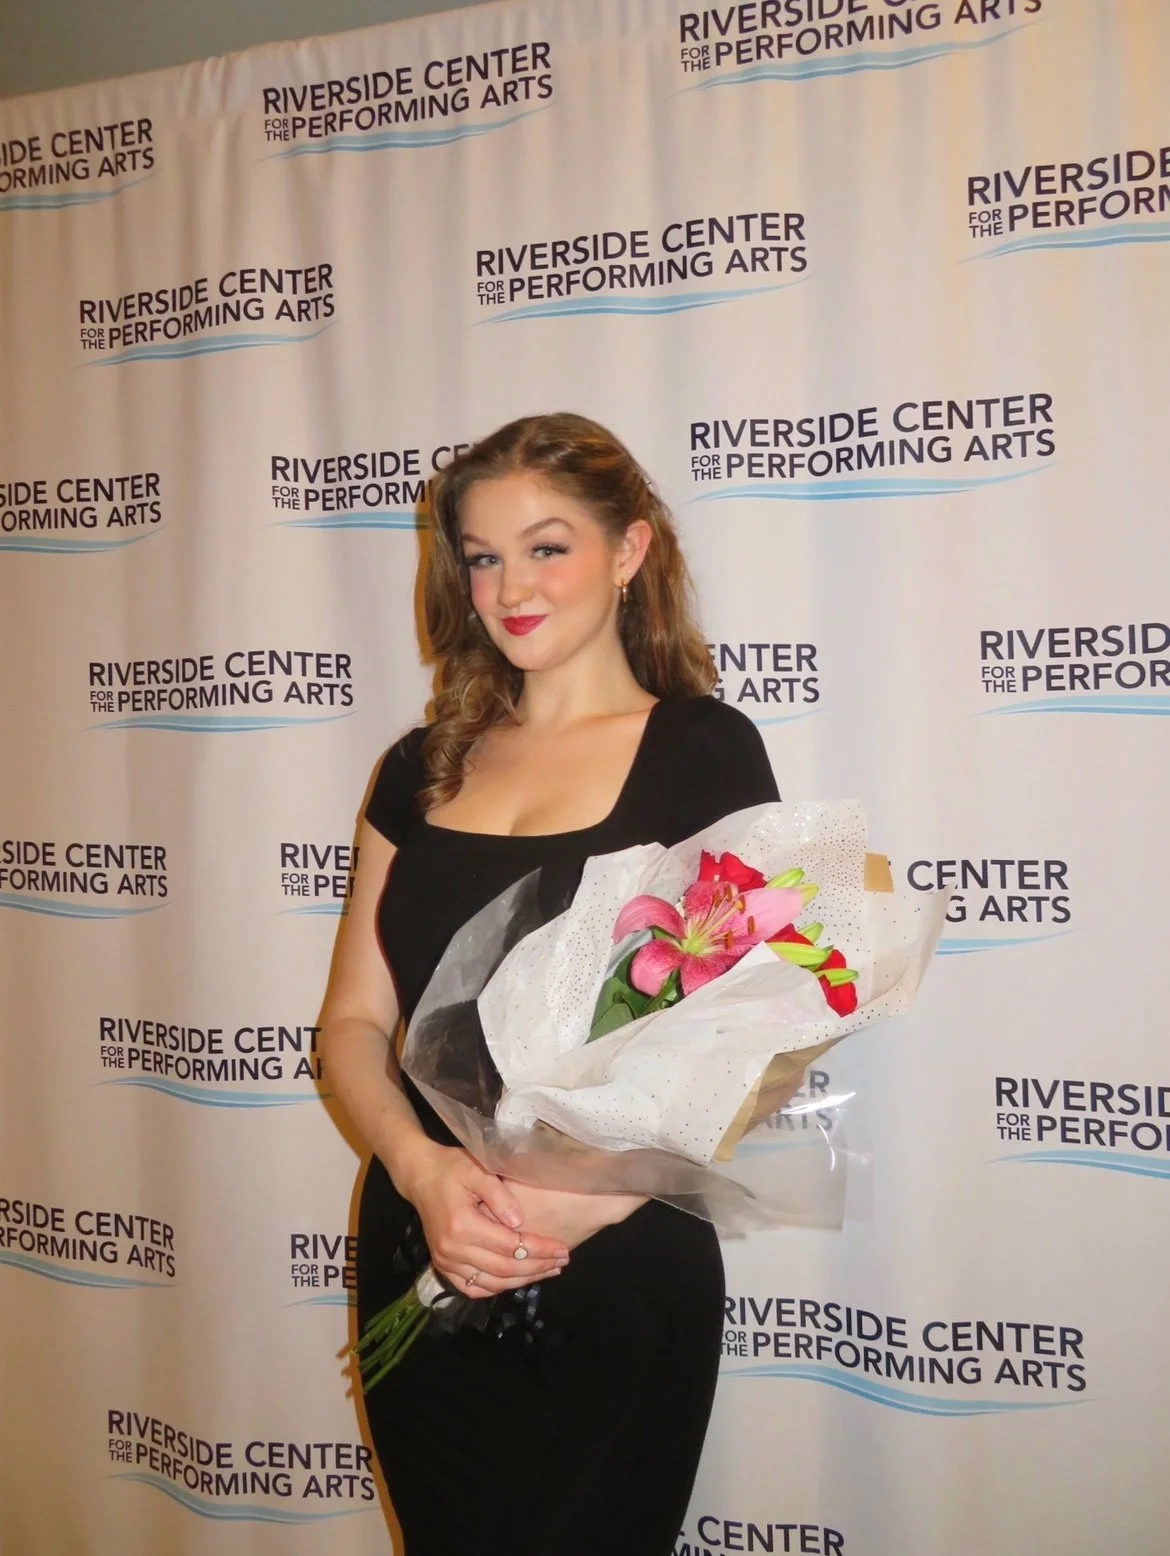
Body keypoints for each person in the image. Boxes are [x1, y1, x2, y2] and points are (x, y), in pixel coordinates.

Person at [320, 412, 780, 1555]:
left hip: (610, 1253)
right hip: (422, 1239)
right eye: (482, 555)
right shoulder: (417, 769)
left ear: (628, 551)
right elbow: (351, 1022)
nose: (510, 586)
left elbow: (769, 1029)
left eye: (547, 545)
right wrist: (426, 1173)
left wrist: (582, 1196)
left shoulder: (702, 750)